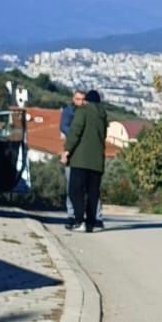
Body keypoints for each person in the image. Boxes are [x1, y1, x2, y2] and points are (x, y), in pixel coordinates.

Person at [64, 89, 109, 233]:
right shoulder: (103, 115)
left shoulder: (83, 111)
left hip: (80, 160)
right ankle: (91, 223)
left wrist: (67, 151)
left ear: (87, 101)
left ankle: (79, 221)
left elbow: (75, 132)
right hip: (97, 161)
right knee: (93, 193)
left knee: (75, 191)